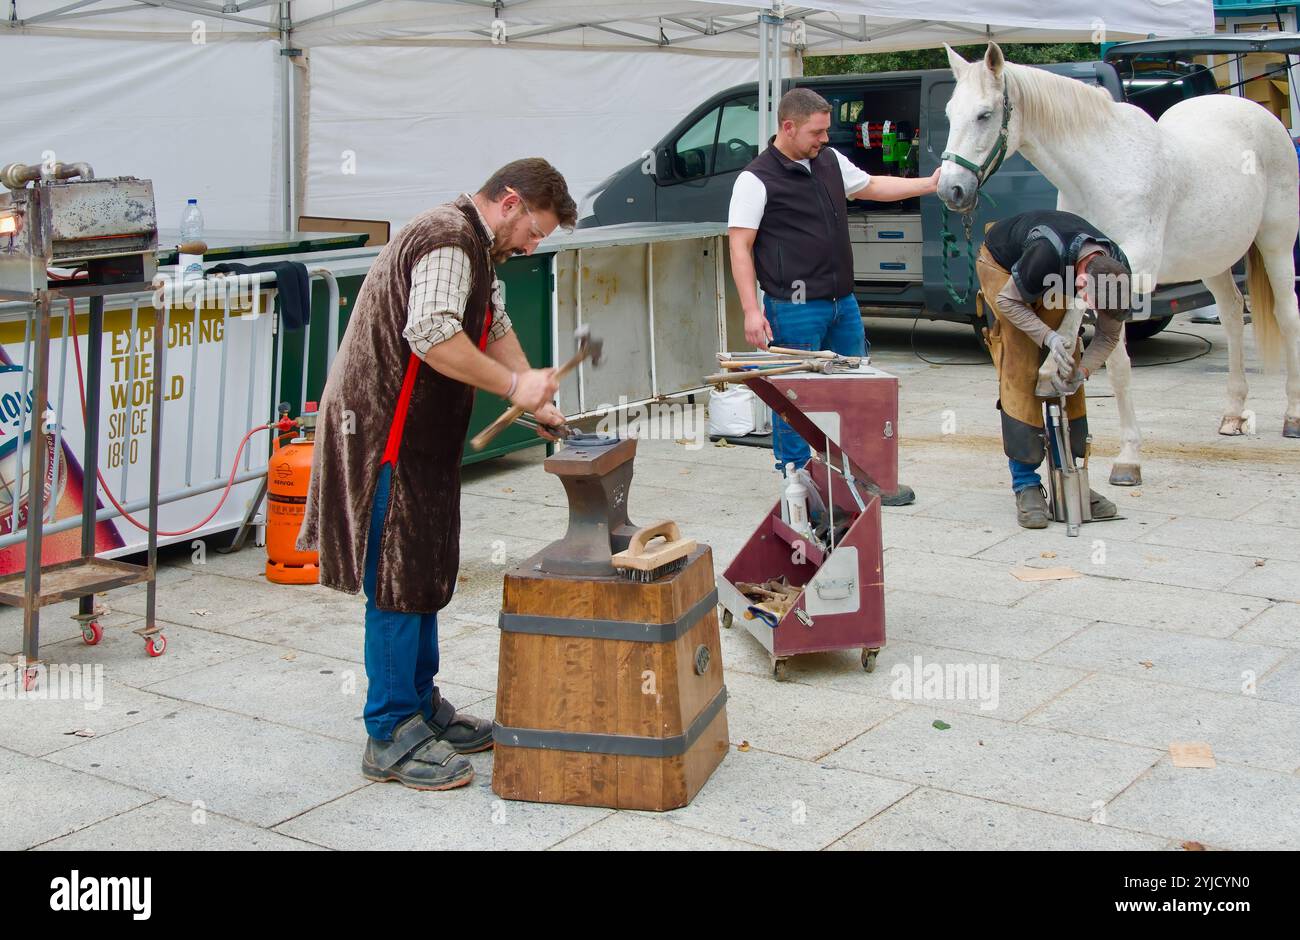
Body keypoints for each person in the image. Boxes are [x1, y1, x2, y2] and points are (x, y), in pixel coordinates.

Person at [298, 159, 576, 790]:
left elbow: (493, 324)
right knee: (396, 578)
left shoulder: (479, 249)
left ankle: (421, 707)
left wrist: (533, 396)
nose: (534, 246)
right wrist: (512, 383)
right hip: (383, 433)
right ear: (510, 202)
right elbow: (430, 335)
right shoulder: (448, 239)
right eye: (535, 232)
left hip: (424, 441)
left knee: (421, 568)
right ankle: (390, 730)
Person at [727, 87, 937, 504]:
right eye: (816, 132)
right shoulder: (754, 179)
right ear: (788, 127)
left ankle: (864, 477)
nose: (824, 139)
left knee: (858, 388)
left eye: (824, 132)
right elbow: (739, 246)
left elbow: (873, 186)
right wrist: (751, 311)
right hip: (793, 307)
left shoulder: (828, 160)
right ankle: (798, 482)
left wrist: (929, 184)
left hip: (844, 302)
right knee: (794, 395)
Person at [976, 209, 1131, 528]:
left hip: (1057, 272)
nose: (1093, 311)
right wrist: (1047, 336)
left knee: (1068, 364)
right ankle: (1026, 486)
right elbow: (1009, 303)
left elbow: (1108, 333)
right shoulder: (1047, 254)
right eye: (1091, 303)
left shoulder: (1117, 268)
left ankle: (1071, 479)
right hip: (1004, 267)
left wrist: (1082, 371)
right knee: (1021, 368)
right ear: (1083, 281)